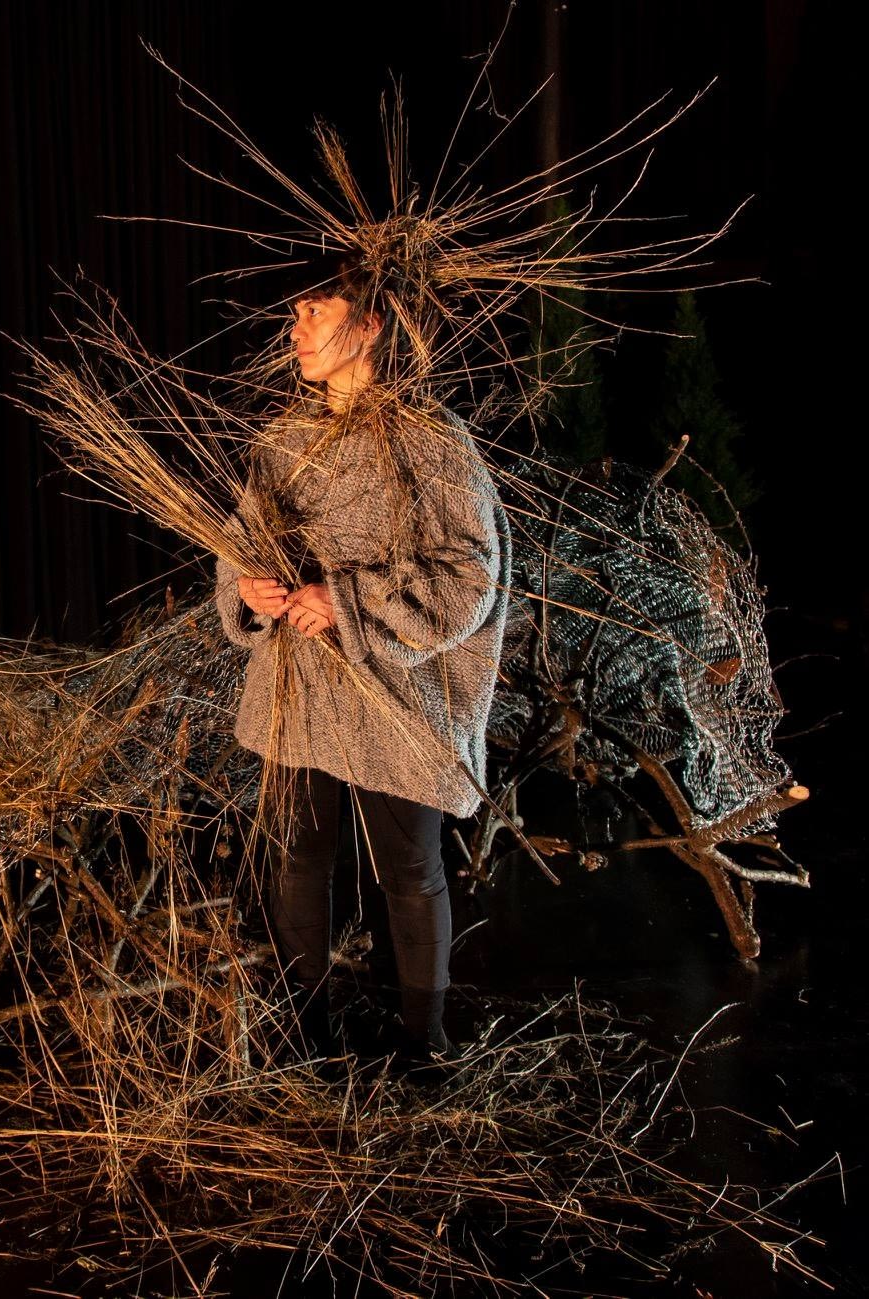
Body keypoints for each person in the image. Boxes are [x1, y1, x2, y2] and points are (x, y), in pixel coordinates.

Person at [214, 255, 509, 1065]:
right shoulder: (284, 441)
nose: (297, 330)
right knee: (296, 859)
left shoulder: (430, 443)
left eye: (316, 311)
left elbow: (469, 579)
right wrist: (249, 585)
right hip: (299, 689)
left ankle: (423, 1043)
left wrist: (344, 601)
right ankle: (305, 1037)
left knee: (409, 865)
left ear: (370, 324)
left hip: (395, 694)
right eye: (296, 315)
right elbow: (237, 548)